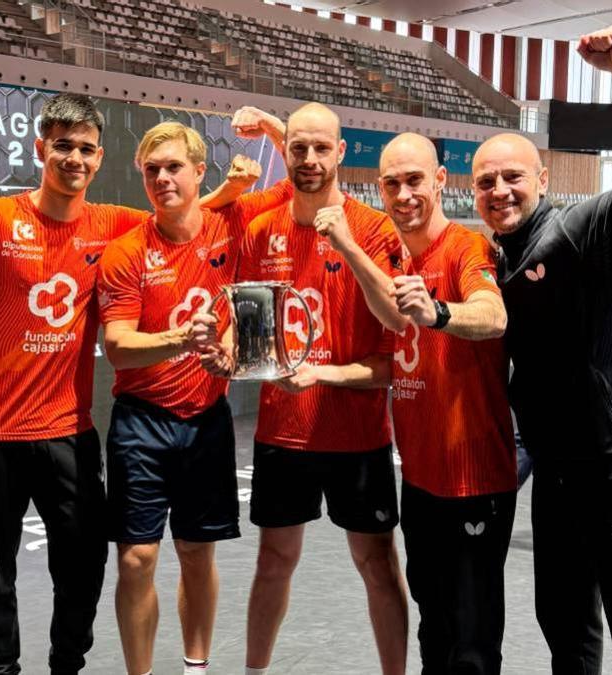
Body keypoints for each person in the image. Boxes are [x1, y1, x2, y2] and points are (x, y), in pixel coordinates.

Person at [0, 94, 263, 675]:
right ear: (41, 148)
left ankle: (65, 668)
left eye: (85, 149)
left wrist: (225, 191)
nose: (73, 158)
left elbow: (178, 219)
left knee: (82, 571)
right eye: (63, 146)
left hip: (68, 433)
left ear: (98, 159)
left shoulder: (117, 227)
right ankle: (3, 670)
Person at [474, 25, 612, 674]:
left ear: (541, 177)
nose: (499, 191)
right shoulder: (489, 261)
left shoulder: (585, 230)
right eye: (485, 182)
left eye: (511, 176)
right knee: (568, 639)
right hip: (558, 478)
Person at [197, 102, 408, 675]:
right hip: (282, 436)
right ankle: (255, 671)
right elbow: (249, 334)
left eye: (321, 149)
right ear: (284, 153)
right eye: (298, 148)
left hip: (358, 437)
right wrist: (227, 357)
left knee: (379, 564)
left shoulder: (373, 229)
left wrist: (326, 375)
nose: (310, 159)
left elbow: (389, 360)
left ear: (342, 153)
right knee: (274, 561)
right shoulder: (263, 220)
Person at [97, 116, 292, 675]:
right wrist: (184, 339)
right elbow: (119, 347)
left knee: (196, 554)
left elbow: (294, 180)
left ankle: (195, 668)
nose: (162, 179)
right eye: (151, 170)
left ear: (199, 171)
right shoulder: (126, 252)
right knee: (136, 559)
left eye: (174, 168)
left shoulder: (231, 219)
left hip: (206, 418)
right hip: (141, 421)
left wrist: (275, 131)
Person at [340, 131, 516, 673]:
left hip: (474, 480)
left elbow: (493, 315)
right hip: (419, 481)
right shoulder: (387, 257)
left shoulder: (467, 247)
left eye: (415, 180)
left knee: (472, 640)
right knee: (433, 625)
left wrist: (438, 312)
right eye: (391, 183)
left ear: (440, 181)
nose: (404, 194)